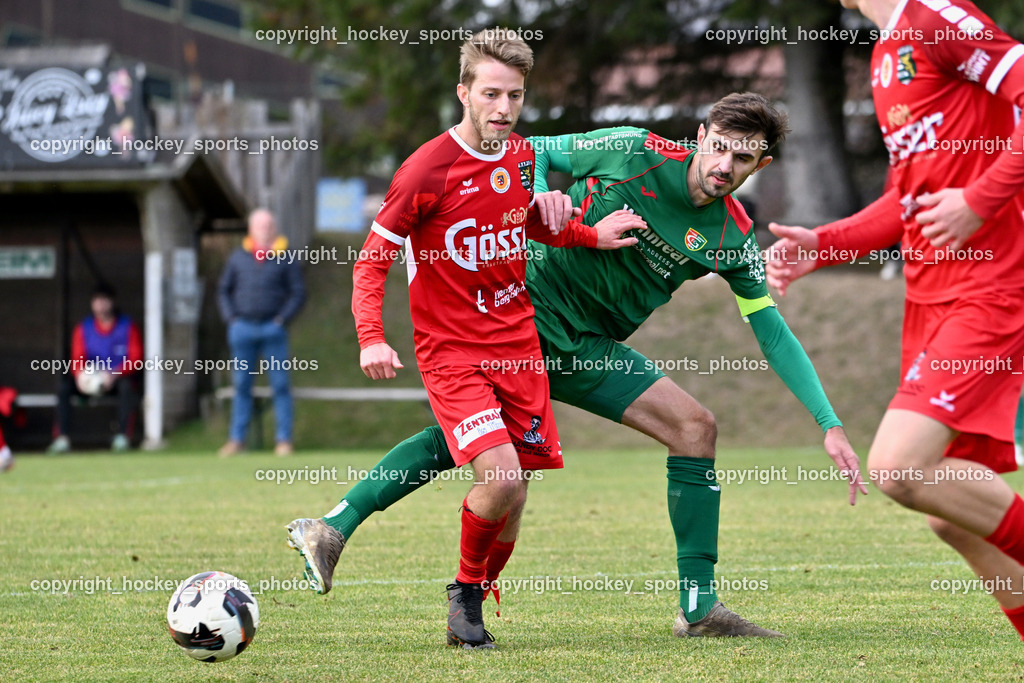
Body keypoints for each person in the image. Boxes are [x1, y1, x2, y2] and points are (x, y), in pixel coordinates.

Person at [288, 91, 869, 639]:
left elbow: (772, 332)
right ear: (700, 136)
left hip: (588, 347)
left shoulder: (732, 238)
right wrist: (541, 195)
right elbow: (532, 152)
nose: (724, 164)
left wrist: (828, 422)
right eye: (717, 145)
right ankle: (348, 532)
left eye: (742, 157)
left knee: (694, 429)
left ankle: (698, 608)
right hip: (523, 317)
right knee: (492, 460)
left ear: (760, 165)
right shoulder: (633, 151)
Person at [286, 28, 645, 649]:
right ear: (464, 93)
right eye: (491, 94)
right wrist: (371, 336)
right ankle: (463, 601)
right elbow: (372, 260)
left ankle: (359, 540)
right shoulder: (426, 168)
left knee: (517, 489)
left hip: (518, 346)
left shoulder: (523, 156)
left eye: (515, 95)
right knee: (501, 477)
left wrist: (590, 234)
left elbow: (523, 224)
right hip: (452, 350)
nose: (503, 108)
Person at [766, 0, 1024, 640]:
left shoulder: (937, 15)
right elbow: (906, 200)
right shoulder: (886, 50)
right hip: (931, 298)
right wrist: (823, 245)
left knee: (900, 467)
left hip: (989, 286)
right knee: (953, 516)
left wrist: (978, 199)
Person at [217, 208, 306, 457]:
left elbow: (298, 293)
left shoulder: (286, 258)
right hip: (242, 328)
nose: (265, 230)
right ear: (251, 229)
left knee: (280, 385)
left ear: (274, 228)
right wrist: (231, 319)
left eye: (269, 225)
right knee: (241, 385)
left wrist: (281, 319)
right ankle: (237, 440)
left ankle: (284, 440)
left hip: (272, 329)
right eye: (260, 225)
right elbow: (223, 290)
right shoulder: (237, 257)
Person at [47, 285, 142, 453]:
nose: (101, 305)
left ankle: (122, 437)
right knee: (64, 389)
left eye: (104, 301)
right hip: (89, 381)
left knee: (128, 388)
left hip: (115, 380)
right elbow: (77, 359)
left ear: (112, 302)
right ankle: (62, 438)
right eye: (97, 301)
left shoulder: (127, 326)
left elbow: (136, 358)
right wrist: (81, 377)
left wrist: (114, 374)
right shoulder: (84, 328)